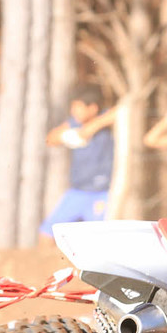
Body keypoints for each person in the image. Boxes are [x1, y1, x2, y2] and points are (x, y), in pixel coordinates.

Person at [40, 85, 118, 241]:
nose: (73, 111)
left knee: (99, 239)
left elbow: (120, 111)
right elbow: (50, 139)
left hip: (102, 193)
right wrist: (78, 134)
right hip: (77, 191)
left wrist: (93, 126)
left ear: (93, 108)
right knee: (46, 235)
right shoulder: (73, 124)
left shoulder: (107, 118)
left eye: (78, 107)